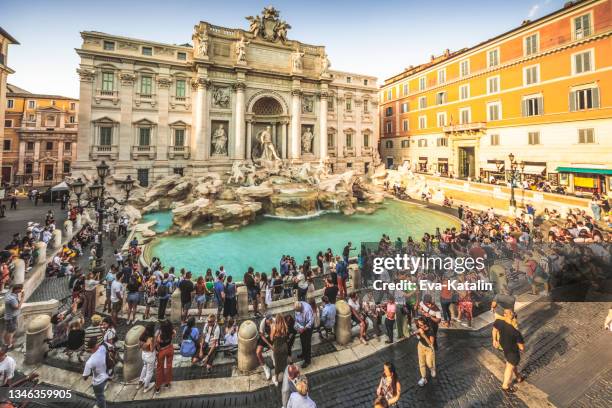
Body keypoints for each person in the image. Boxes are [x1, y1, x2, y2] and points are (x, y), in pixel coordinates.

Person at [492, 308, 525, 393]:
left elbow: (494, 329)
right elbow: (521, 348)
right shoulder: (516, 332)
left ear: (505, 315)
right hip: (513, 352)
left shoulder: (499, 322)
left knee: (511, 363)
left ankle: (518, 377)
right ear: (513, 317)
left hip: (505, 349)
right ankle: (505, 386)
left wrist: (494, 340)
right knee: (509, 367)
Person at [82, 342, 109, 408]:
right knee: (101, 395)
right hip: (106, 377)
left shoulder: (89, 362)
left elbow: (85, 377)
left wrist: (90, 369)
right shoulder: (102, 348)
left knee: (100, 397)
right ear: (96, 345)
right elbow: (105, 344)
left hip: (98, 382)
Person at [155, 319, 176, 395]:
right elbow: (174, 334)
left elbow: (157, 341)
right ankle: (167, 383)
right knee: (169, 366)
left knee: (159, 368)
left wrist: (158, 348)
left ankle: (158, 387)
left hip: (162, 350)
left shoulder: (159, 332)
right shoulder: (171, 331)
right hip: (170, 348)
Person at [415, 317, 436, 387]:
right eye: (418, 325)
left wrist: (423, 334)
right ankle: (423, 378)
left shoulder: (431, 331)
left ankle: (432, 368)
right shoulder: (420, 328)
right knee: (421, 363)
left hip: (429, 349)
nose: (419, 326)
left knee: (429, 363)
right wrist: (417, 334)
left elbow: (431, 344)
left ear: (425, 324)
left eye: (420, 325)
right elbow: (418, 336)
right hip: (420, 346)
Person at [3, 284, 24, 350]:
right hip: (11, 318)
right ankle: (9, 345)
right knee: (11, 332)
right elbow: (17, 307)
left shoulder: (10, 295)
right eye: (20, 289)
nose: (21, 290)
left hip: (9, 317)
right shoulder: (12, 299)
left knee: (8, 331)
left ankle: (6, 343)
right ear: (16, 290)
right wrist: (22, 298)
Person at [294, 301, 314, 368]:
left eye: (299, 311)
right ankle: (303, 353)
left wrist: (304, 329)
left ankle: (307, 361)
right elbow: (296, 318)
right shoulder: (297, 307)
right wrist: (298, 327)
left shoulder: (307, 309)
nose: (298, 312)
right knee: (302, 340)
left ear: (301, 308)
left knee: (307, 343)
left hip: (308, 327)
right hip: (301, 326)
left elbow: (310, 322)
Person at [271, 313, 289, 386]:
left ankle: (276, 380)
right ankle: (285, 377)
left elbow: (271, 338)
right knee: (284, 362)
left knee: (277, 364)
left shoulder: (274, 327)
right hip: (284, 347)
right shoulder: (285, 326)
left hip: (277, 347)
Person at [257, 313, 274, 380]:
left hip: (273, 337)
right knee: (258, 352)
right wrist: (269, 345)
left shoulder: (274, 321)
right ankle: (265, 367)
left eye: (271, 319)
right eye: (269, 320)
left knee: (274, 350)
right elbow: (262, 335)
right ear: (266, 319)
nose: (270, 321)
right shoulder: (262, 323)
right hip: (264, 337)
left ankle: (276, 364)